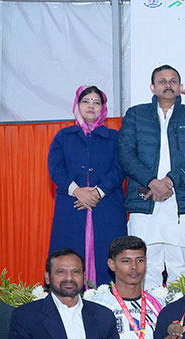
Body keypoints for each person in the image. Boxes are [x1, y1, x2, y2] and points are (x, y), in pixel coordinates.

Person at [118, 64, 185, 289]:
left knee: (181, 266)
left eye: (173, 81)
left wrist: (170, 181)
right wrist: (152, 182)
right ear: (152, 87)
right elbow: (125, 154)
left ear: (180, 87)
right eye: (162, 81)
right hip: (145, 200)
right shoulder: (136, 115)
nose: (168, 85)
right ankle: (148, 311)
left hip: (182, 201)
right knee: (144, 265)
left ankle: (178, 311)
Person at [48, 84, 127, 286]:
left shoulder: (114, 137)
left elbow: (120, 168)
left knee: (109, 252)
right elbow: (55, 169)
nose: (91, 106)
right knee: (69, 252)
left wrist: (98, 192)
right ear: (77, 105)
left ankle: (108, 297)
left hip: (107, 204)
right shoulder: (63, 136)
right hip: (71, 205)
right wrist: (77, 191)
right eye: (85, 101)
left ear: (103, 108)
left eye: (96, 102)